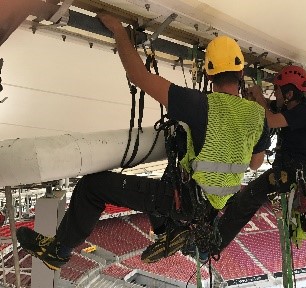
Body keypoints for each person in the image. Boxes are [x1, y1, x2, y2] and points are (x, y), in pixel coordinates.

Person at [16, 12, 269, 270]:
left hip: (182, 201)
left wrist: (118, 31)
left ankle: (58, 251)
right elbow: (255, 164)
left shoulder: (199, 105)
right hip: (209, 209)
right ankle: (170, 232)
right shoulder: (258, 115)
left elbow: (139, 76)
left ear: (209, 72)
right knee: (168, 172)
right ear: (241, 72)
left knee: (92, 188)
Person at [187, 65, 306, 260]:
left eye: (277, 90)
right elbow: (269, 110)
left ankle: (209, 248)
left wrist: (258, 99)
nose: (275, 95)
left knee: (248, 199)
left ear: (289, 93)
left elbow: (268, 120)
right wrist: (255, 102)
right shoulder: (294, 108)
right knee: (240, 197)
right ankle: (210, 234)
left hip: (291, 174)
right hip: (289, 173)